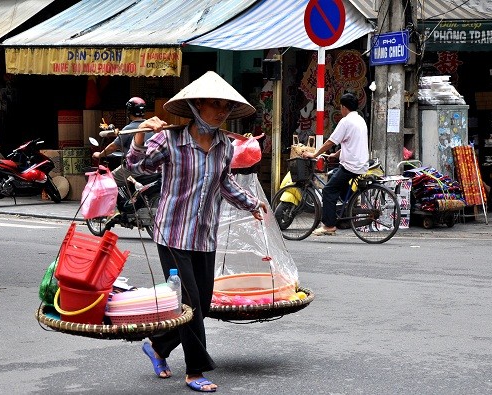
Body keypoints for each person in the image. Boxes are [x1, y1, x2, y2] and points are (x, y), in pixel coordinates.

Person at [125, 71, 267, 393]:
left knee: (199, 304)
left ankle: (157, 346)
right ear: (196, 105)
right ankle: (195, 370)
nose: (220, 111)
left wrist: (251, 203)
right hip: (172, 232)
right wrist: (138, 137)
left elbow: (224, 183)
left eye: (225, 107)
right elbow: (135, 168)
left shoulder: (224, 146)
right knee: (189, 302)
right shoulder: (170, 140)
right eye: (214, 104)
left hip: (204, 234)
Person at [302, 92, 369, 236]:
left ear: (344, 107)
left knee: (328, 191)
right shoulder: (360, 120)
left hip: (351, 165)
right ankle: (348, 209)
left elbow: (331, 141)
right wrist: (335, 154)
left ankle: (329, 225)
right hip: (361, 163)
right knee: (340, 187)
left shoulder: (345, 121)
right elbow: (350, 142)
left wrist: (314, 154)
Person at [92, 97, 153, 186]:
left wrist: (100, 155)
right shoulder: (151, 127)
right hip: (152, 167)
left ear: (129, 111)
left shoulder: (129, 128)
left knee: (106, 183)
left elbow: (113, 147)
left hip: (135, 167)